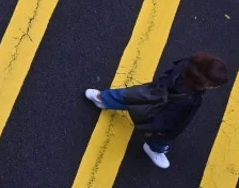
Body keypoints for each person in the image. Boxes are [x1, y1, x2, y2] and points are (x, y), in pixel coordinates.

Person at [84, 52, 228, 169]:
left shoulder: (187, 64)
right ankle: (154, 149)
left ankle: (101, 98)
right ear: (205, 83)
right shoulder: (191, 98)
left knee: (130, 96)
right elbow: (176, 118)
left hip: (155, 91)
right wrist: (165, 131)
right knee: (160, 138)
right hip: (161, 116)